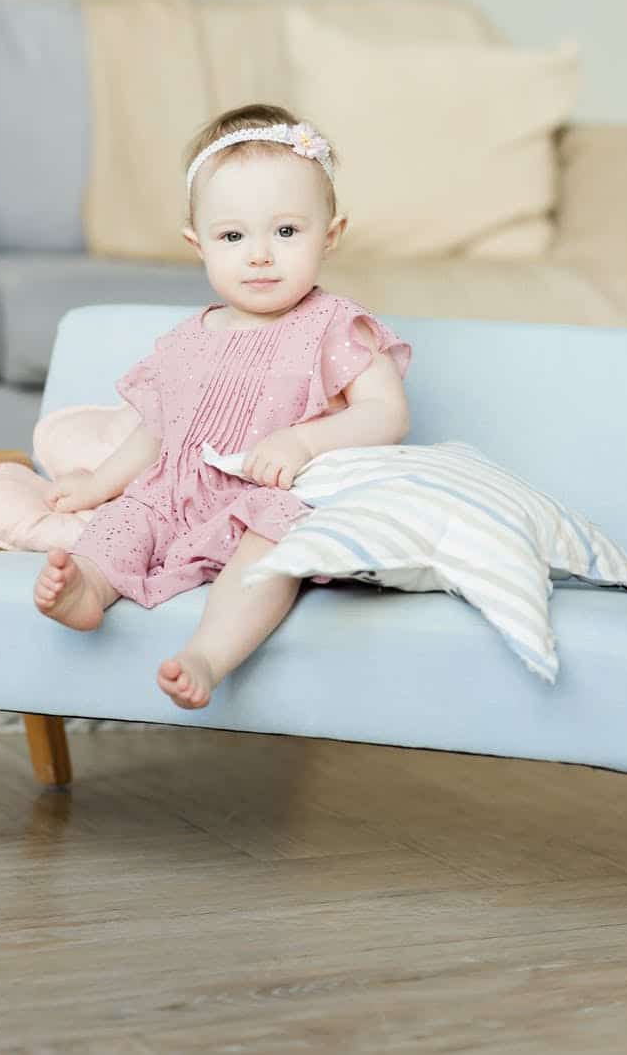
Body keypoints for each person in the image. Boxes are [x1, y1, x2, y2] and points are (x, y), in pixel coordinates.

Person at [32, 103, 412, 710]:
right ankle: (87, 591)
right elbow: (156, 433)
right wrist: (99, 483)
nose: (259, 254)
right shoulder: (185, 340)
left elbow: (386, 414)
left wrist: (303, 442)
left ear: (331, 234)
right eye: (233, 236)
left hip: (264, 498)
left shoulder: (335, 326)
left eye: (286, 231)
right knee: (124, 521)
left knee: (273, 547)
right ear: (199, 244)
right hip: (174, 496)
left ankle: (208, 653)